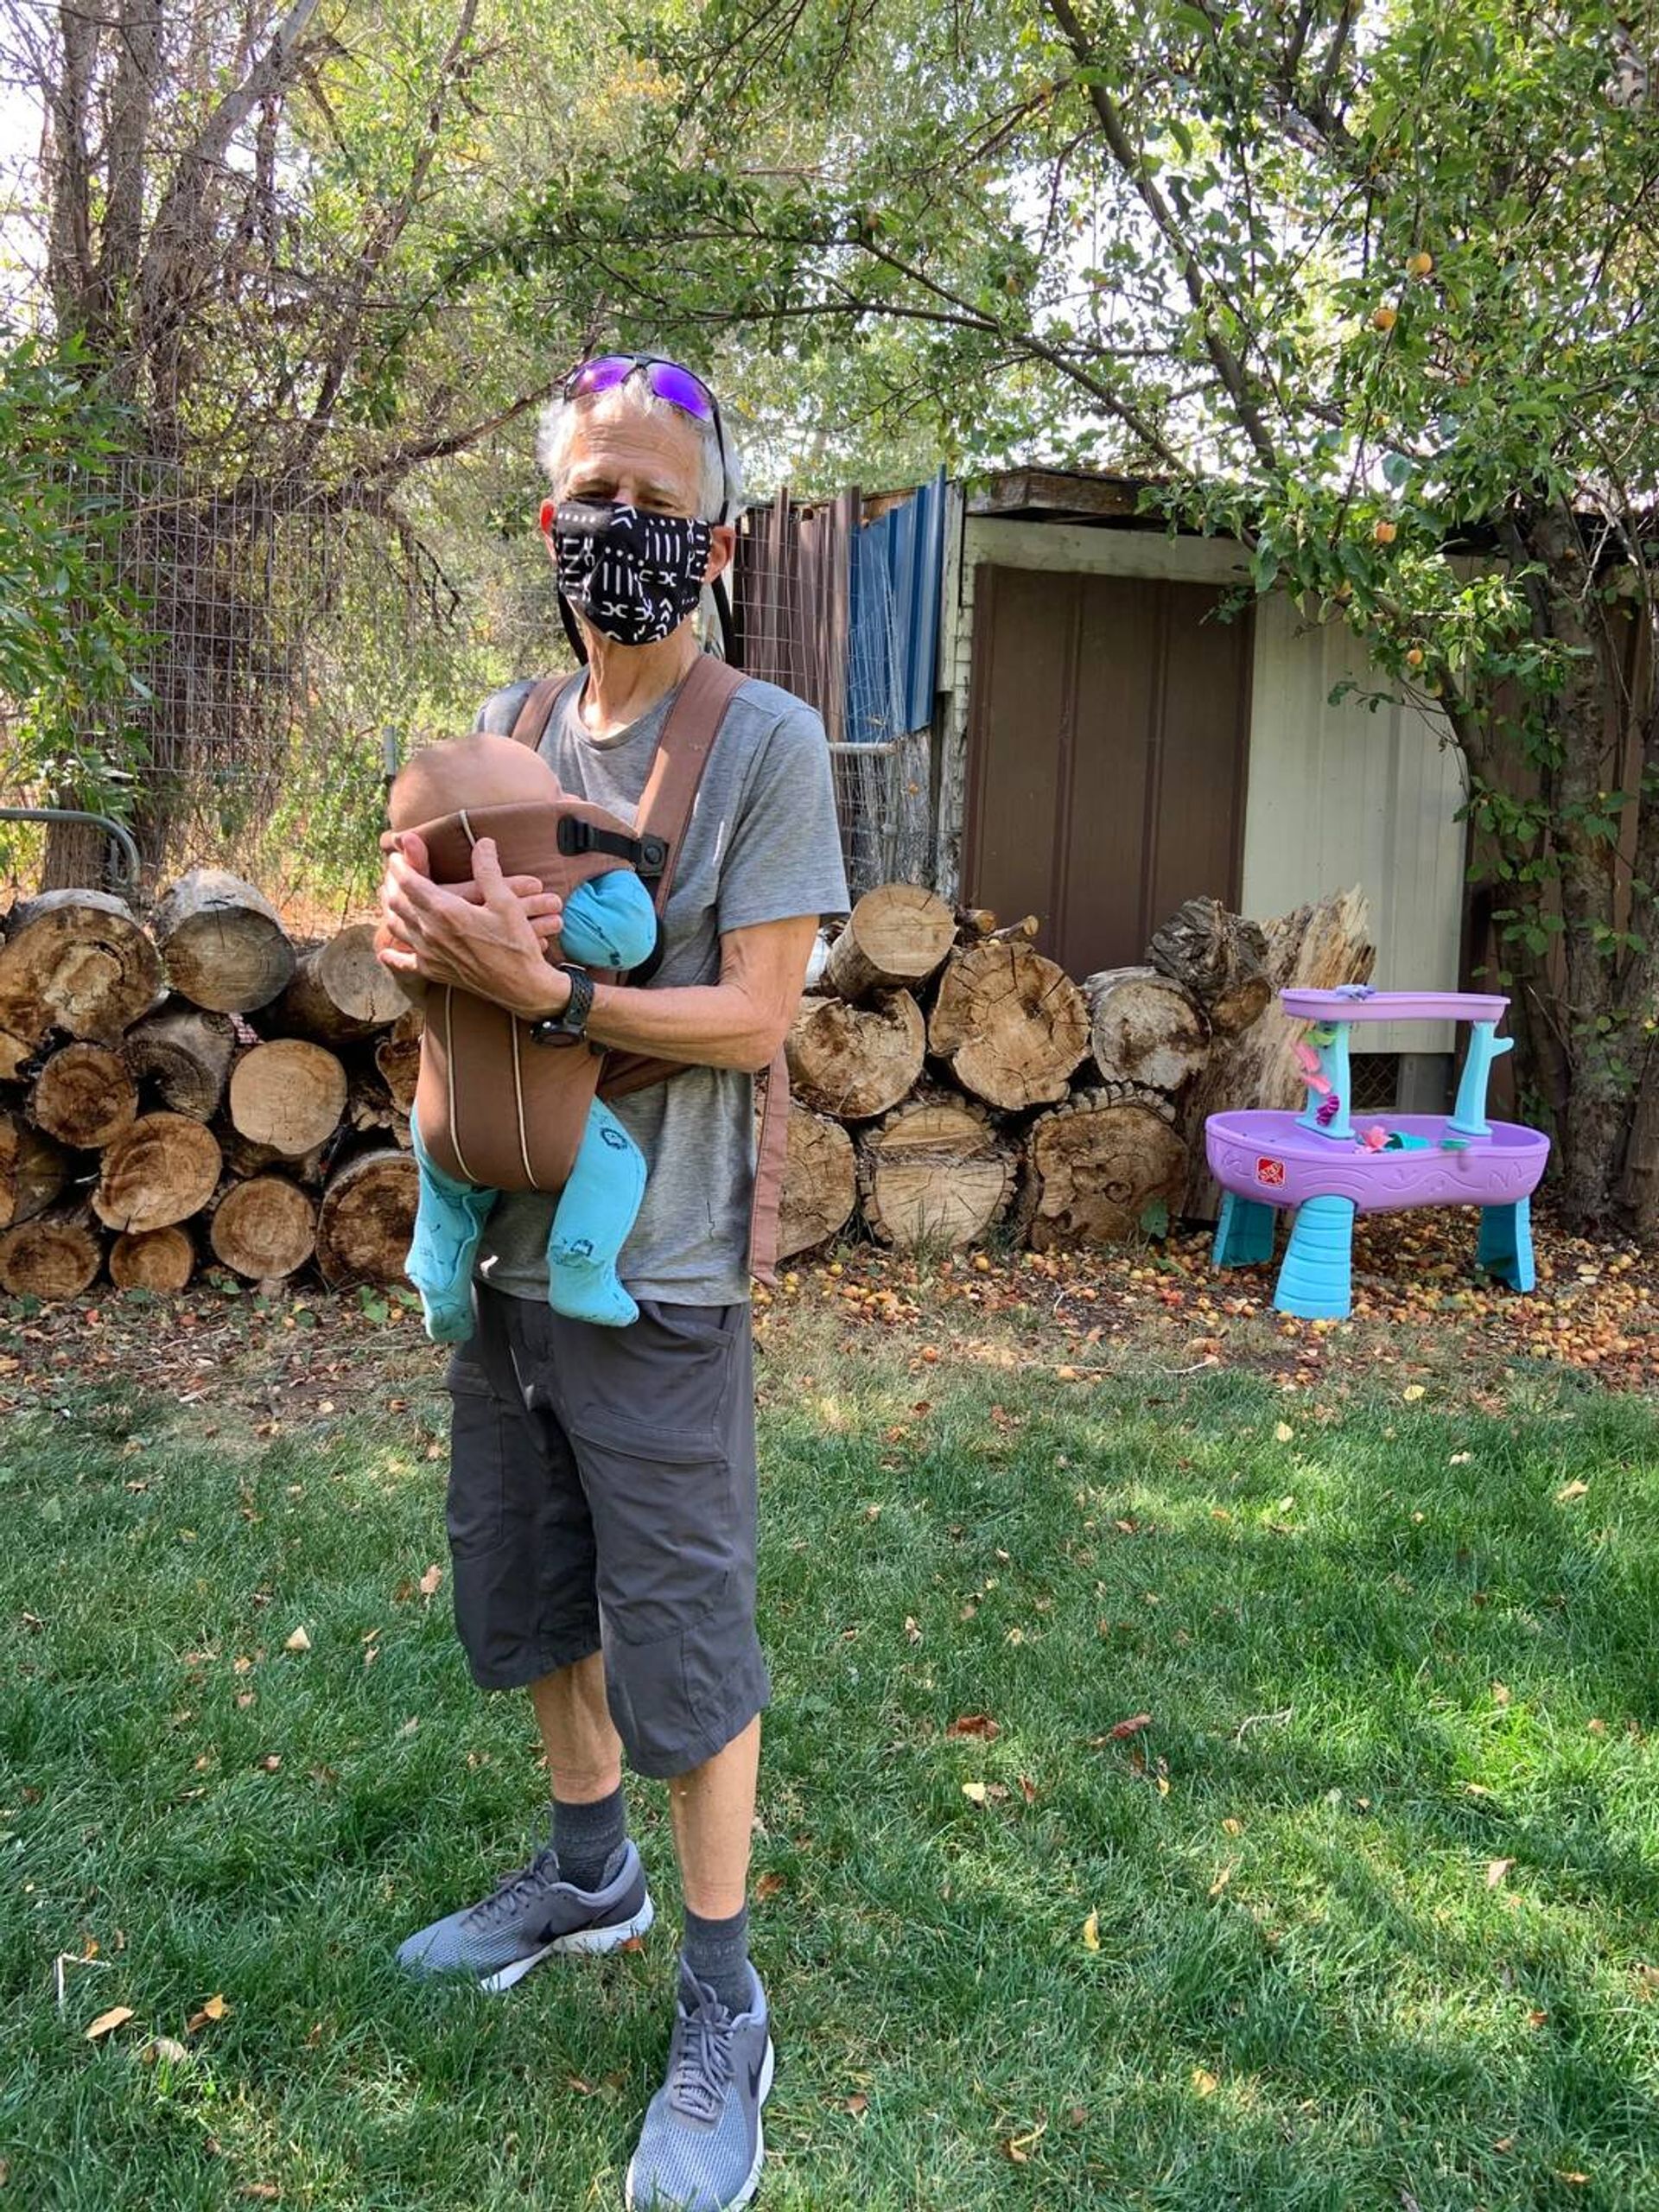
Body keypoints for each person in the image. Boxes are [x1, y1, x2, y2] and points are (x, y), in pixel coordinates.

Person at [377, 352, 849, 2212]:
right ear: (549, 519)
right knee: (535, 1580)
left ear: (714, 538)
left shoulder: (767, 743)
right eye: (591, 497)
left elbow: (751, 1013)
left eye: (656, 505)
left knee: (685, 1628)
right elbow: (430, 938)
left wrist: (557, 993)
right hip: (502, 1243)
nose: (617, 535)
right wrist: (408, 927)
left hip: (660, 1275)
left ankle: (723, 1998)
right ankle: (589, 1872)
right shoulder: (504, 720)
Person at [385, 732, 659, 1339]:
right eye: (554, 799)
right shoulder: (546, 904)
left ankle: (437, 1271)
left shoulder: (427, 907)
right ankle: (580, 1268)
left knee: (449, 1197)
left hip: (443, 1119)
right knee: (616, 1171)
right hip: (546, 1123)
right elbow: (630, 941)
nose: (568, 798)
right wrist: (610, 872)